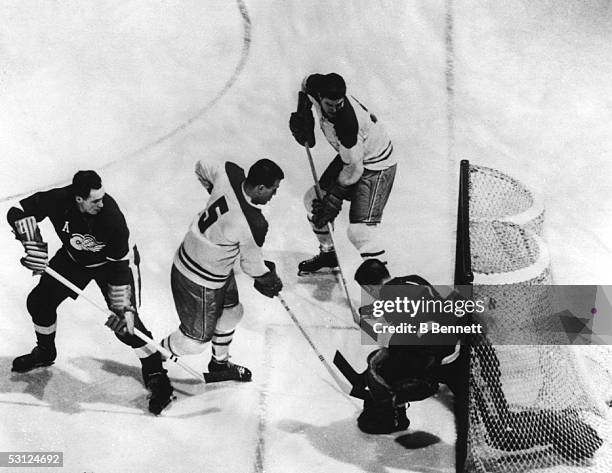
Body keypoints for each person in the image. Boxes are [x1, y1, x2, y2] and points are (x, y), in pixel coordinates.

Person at [7, 170, 174, 415]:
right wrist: (30, 240)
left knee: (126, 325)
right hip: (73, 260)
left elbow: (118, 269)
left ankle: (155, 371)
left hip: (113, 265)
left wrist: (123, 308)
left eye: (102, 197)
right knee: (39, 302)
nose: (101, 203)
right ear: (78, 199)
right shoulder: (58, 199)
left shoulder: (112, 219)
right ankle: (45, 351)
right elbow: (17, 211)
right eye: (95, 200)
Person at [160, 159, 284, 382]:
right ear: (260, 188)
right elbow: (251, 266)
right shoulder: (254, 223)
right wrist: (268, 278)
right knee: (194, 341)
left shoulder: (230, 174)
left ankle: (220, 364)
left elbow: (202, 165)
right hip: (198, 279)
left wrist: (213, 190)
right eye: (273, 189)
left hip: (212, 267)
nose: (274, 195)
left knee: (232, 313)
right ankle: (154, 357)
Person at [289, 73, 397, 274]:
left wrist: (334, 199)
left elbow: (354, 169)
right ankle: (329, 254)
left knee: (360, 232)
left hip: (376, 165)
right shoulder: (314, 85)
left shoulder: (347, 125)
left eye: (339, 104)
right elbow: (304, 84)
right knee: (313, 200)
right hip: (352, 157)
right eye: (329, 105)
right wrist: (303, 112)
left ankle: (386, 294)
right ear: (320, 96)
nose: (335, 109)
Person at [352, 259, 467, 435]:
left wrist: (364, 325)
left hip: (432, 362)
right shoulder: (414, 279)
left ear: (369, 288)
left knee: (376, 367)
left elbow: (401, 344)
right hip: (455, 347)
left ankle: (391, 419)